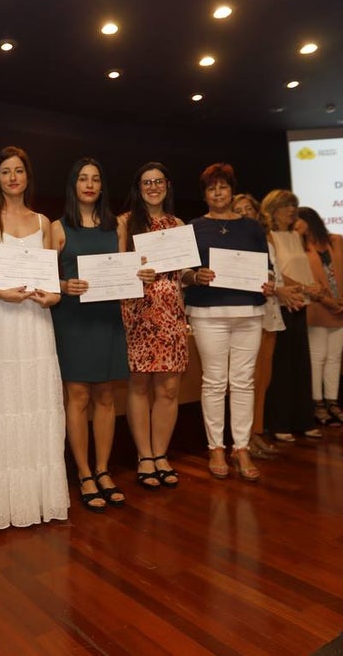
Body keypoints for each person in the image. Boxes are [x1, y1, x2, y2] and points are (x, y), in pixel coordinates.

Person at [0, 147, 69, 528]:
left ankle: (39, 499)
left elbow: (52, 281)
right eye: (5, 171)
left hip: (34, 322)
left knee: (38, 403)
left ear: (28, 176)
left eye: (19, 171)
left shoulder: (44, 222)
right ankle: (2, 504)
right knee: (1, 405)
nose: (12, 177)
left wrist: (53, 295)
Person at [182, 164, 273, 482]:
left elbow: (267, 269)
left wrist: (269, 282)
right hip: (209, 314)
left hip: (249, 312)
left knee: (244, 381)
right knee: (214, 382)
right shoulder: (193, 227)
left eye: (223, 187)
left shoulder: (252, 227)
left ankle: (242, 447)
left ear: (232, 190)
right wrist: (196, 275)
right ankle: (216, 447)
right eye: (211, 188)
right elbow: (181, 273)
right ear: (204, 194)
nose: (218, 193)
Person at [50, 158, 129, 512]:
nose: (90, 184)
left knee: (107, 396)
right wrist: (64, 284)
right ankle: (83, 472)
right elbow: (45, 278)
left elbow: (126, 268)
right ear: (73, 184)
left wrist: (137, 276)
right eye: (83, 178)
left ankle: (103, 469)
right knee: (78, 397)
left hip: (108, 317)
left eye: (96, 178)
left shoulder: (118, 226)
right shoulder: (57, 226)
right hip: (73, 319)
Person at [117, 162, 189, 490]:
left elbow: (184, 273)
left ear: (167, 186)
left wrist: (196, 276)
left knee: (169, 388)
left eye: (159, 181)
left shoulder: (178, 225)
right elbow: (116, 269)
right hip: (137, 313)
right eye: (147, 182)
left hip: (171, 313)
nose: (153, 187)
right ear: (138, 187)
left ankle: (161, 454)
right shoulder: (124, 224)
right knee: (139, 386)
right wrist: (133, 271)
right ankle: (144, 456)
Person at [260, 190, 323, 441]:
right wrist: (305, 288)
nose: (291, 210)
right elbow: (276, 272)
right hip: (280, 304)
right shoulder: (268, 236)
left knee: (301, 365)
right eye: (286, 205)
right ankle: (280, 423)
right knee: (282, 367)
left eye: (293, 205)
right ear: (273, 208)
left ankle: (303, 420)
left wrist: (311, 289)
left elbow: (300, 268)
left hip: (300, 303)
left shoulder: (296, 236)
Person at [232, 193, 282, 460]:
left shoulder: (265, 237)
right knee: (245, 380)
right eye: (237, 210)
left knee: (263, 379)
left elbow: (275, 272)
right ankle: (244, 438)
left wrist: (282, 288)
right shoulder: (231, 241)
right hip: (248, 311)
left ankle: (257, 432)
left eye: (247, 209)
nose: (244, 213)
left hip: (269, 312)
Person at [296, 206, 343, 426]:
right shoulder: (299, 247)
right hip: (317, 308)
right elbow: (305, 280)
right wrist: (328, 300)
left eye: (298, 221)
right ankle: (317, 404)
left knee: (334, 358)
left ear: (309, 221)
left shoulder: (337, 240)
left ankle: (333, 402)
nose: (295, 225)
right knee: (318, 357)